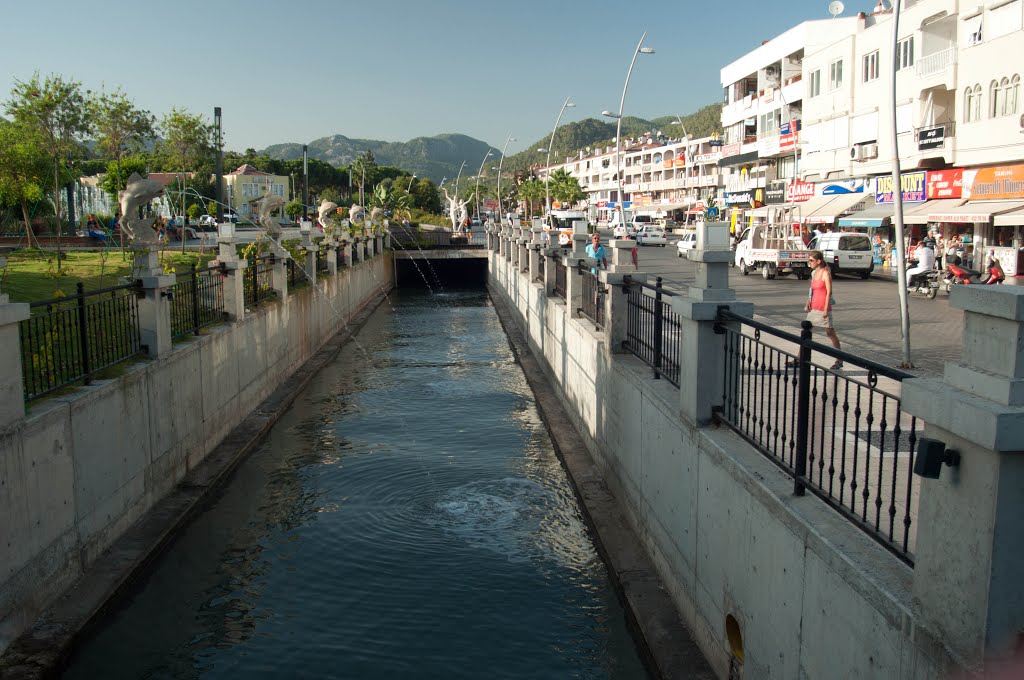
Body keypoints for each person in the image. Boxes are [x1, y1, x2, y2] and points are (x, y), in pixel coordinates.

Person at [801, 250, 843, 370]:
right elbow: (812, 289)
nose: (809, 263)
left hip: (823, 309)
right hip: (814, 308)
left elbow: (829, 292)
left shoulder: (825, 273)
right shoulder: (814, 273)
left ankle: (839, 359)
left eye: (811, 260)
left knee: (830, 333)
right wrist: (808, 300)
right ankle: (800, 358)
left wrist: (825, 309)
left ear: (819, 261)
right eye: (808, 260)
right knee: (806, 333)